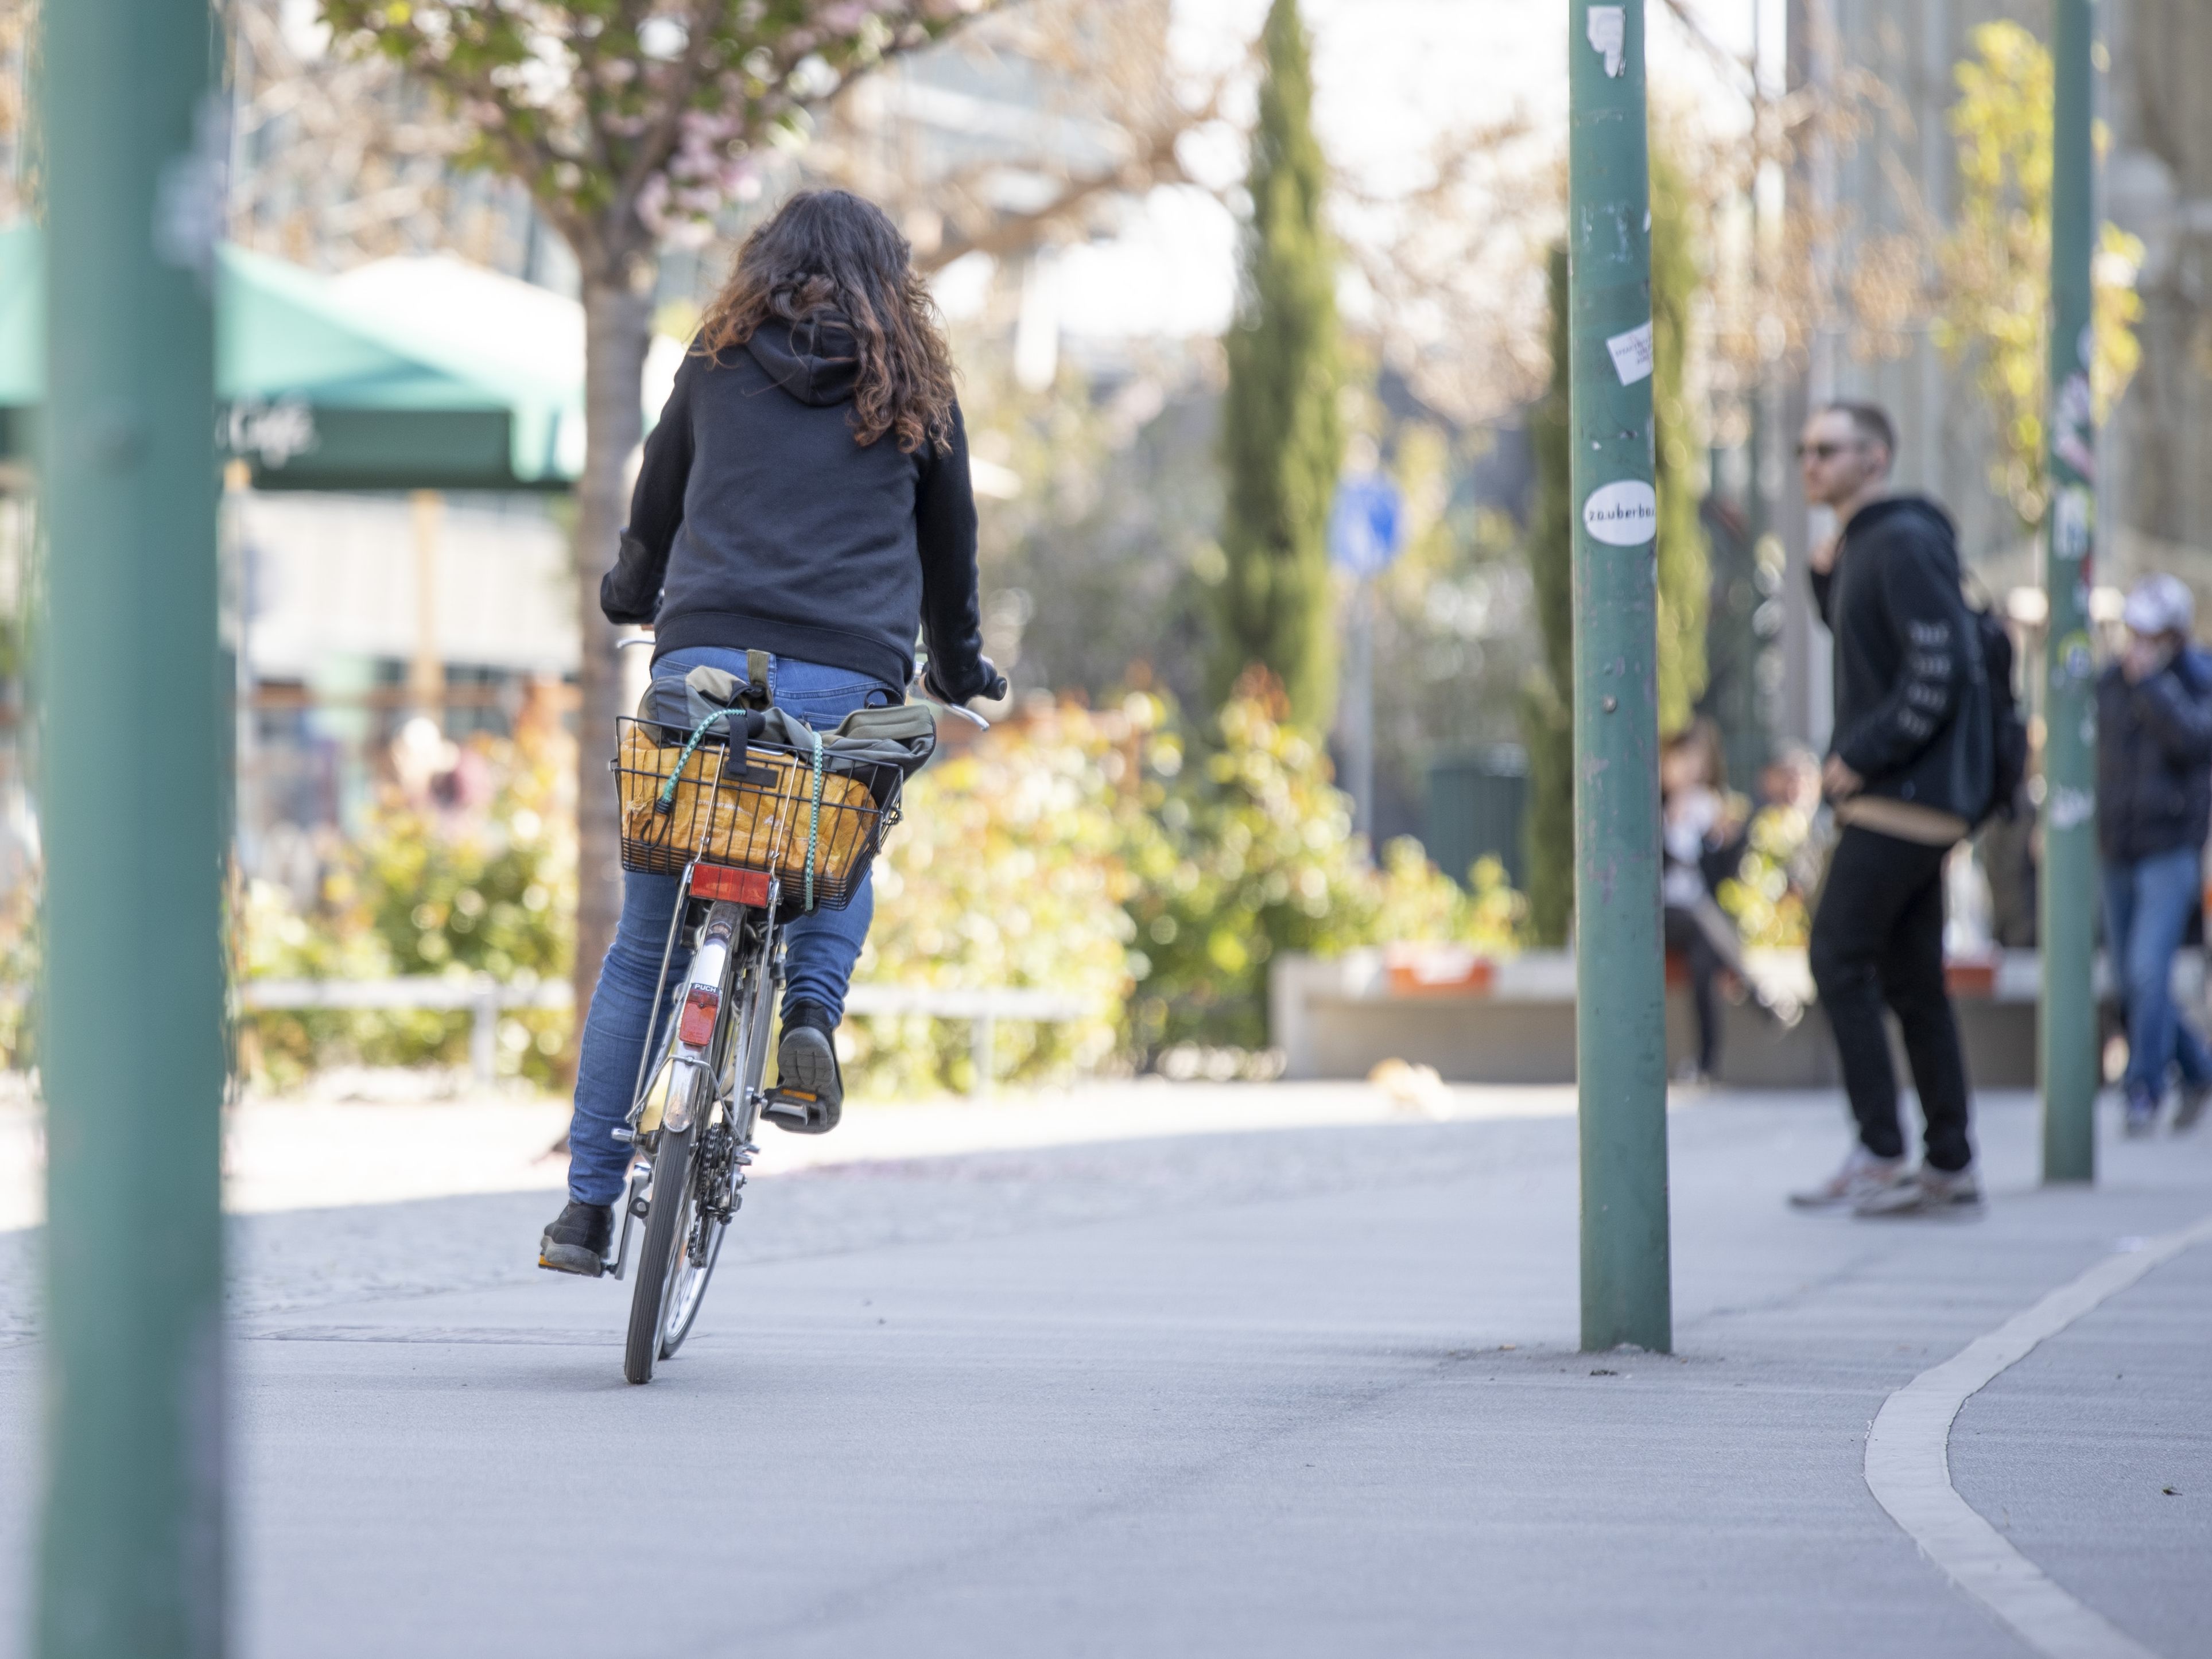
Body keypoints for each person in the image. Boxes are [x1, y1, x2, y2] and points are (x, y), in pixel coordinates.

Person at [540, 190, 1004, 1275]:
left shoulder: (714, 362)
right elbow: (952, 559)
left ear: (766, 264)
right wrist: (959, 668)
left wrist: (629, 593)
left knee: (644, 946)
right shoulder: (918, 388)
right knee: (843, 840)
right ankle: (807, 1013)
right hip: (847, 678)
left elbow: (654, 508)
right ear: (893, 279)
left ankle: (586, 1210)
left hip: (701, 666)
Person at [1787, 401, 1992, 1217]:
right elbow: (1873, 645)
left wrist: (1861, 753)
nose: (1809, 463)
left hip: (1902, 796)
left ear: (1874, 457)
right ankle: (1948, 1161)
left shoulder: (1901, 541)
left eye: (1826, 449)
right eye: (1803, 450)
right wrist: (1823, 577)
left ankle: (1880, 1149)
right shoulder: (1862, 546)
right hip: (1904, 797)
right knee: (1910, 978)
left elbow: (1940, 667)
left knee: (1836, 954)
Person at [2096, 573, 2212, 1136]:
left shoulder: (2195, 679)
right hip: (2117, 847)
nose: (2138, 645)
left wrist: (2152, 689)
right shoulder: (2110, 682)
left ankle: (2142, 1087)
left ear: (2173, 636)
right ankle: (2199, 1069)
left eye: (2151, 635)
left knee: (2148, 969)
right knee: (2128, 978)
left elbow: (2196, 739)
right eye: (2134, 633)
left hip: (2169, 849)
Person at [1661, 721, 1748, 1085]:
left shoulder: (1710, 809)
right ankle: (1758, 992)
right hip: (1664, 914)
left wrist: (1721, 839)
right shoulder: (1653, 807)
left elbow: (1723, 879)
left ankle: (1706, 1065)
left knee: (1703, 961)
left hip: (1699, 918)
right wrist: (1673, 823)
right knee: (1701, 922)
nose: (1687, 770)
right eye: (1679, 760)